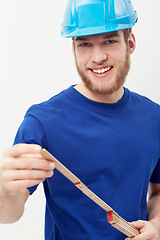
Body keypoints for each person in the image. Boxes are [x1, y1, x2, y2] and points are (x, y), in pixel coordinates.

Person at [0, 0, 160, 239]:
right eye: (85, 44)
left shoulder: (154, 117)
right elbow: (9, 214)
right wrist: (4, 189)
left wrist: (157, 224)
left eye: (109, 40)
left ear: (130, 43)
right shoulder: (42, 121)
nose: (98, 57)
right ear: (73, 49)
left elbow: (157, 192)